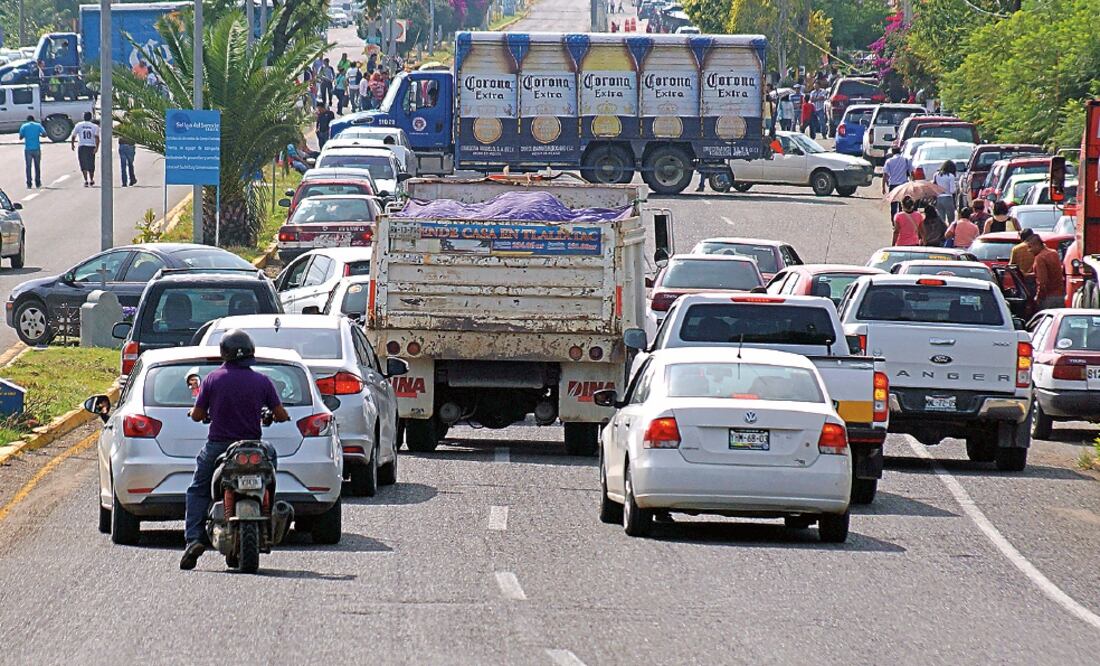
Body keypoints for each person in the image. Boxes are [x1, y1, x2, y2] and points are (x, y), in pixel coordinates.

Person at [179, 330, 290, 570]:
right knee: (271, 465)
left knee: (197, 490)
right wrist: (275, 416)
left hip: (219, 447)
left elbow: (198, 415)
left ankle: (194, 539)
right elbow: (281, 414)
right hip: (254, 446)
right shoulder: (262, 381)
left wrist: (196, 413)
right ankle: (267, 502)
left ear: (224, 352)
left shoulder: (212, 380)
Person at [1028, 232, 1065, 310]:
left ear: (1037, 245)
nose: (1029, 250)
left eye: (1030, 247)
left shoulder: (1040, 258)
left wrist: (1038, 297)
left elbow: (1042, 282)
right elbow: (1053, 272)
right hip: (1060, 296)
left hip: (1048, 298)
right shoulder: (1054, 253)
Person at [70, 111, 100, 187]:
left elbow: (73, 135)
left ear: (84, 117)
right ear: (91, 118)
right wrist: (97, 147)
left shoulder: (79, 125)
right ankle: (91, 179)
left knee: (83, 163)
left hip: (82, 146)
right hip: (91, 146)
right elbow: (97, 137)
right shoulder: (95, 126)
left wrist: (72, 144)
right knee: (91, 163)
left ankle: (86, 180)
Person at [19, 115, 47, 189]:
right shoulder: (38, 125)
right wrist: (39, 135)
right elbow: (45, 134)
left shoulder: (24, 126)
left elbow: (21, 137)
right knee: (37, 166)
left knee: (28, 166)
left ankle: (29, 183)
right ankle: (38, 182)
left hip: (28, 148)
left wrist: (26, 135)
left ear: (27, 120)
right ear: (33, 119)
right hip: (36, 148)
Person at [882, 146, 910, 218]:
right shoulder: (905, 160)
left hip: (893, 185)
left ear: (892, 152)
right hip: (903, 185)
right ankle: (901, 219)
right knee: (902, 204)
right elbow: (910, 171)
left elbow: (885, 174)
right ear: (900, 151)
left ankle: (894, 220)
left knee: (893, 205)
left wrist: (883, 187)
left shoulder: (889, 161)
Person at [1010, 228, 1037, 296]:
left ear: (1021, 238)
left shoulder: (1016, 248)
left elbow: (1011, 265)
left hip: (1021, 278)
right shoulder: (1038, 247)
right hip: (1035, 277)